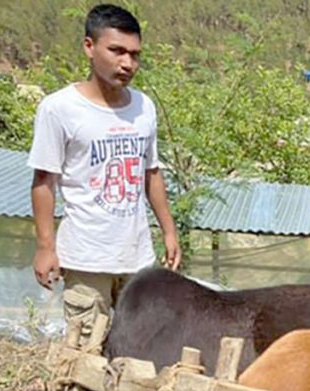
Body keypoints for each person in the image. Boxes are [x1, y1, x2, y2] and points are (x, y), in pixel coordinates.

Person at [28, 3, 180, 339]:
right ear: (89, 47)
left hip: (136, 256)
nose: (127, 63)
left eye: (135, 54)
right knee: (85, 351)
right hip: (86, 257)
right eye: (117, 51)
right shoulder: (60, 109)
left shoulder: (144, 107)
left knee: (139, 349)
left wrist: (168, 231)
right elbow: (43, 181)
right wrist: (44, 247)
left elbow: (150, 173)